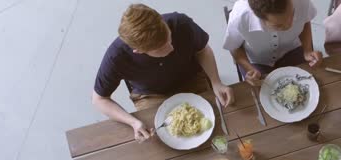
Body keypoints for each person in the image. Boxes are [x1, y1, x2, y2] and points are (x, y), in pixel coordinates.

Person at [92, 4, 235, 142]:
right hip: (151, 94)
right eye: (161, 48)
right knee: (160, 143)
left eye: (169, 37)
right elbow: (99, 100)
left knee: (221, 126)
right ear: (139, 51)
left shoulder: (180, 23)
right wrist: (133, 122)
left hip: (191, 78)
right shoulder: (116, 56)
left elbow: (203, 50)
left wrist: (216, 82)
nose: (171, 47)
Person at [223, 0, 323, 86]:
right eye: (278, 25)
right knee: (261, 93)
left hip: (292, 50)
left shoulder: (301, 2)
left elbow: (305, 21)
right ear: (259, 17)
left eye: (292, 15)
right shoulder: (239, 17)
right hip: (257, 62)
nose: (290, 24)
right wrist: (249, 69)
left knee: (310, 81)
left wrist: (307, 50)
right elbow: (234, 47)